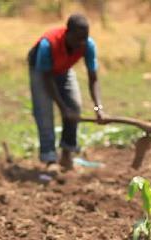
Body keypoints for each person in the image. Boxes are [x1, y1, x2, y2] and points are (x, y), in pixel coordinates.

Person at [27, 13, 105, 171]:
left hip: (63, 69)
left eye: (85, 38)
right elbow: (47, 79)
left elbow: (93, 78)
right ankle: (50, 158)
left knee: (75, 106)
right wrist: (63, 109)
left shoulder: (88, 45)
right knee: (44, 112)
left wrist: (98, 109)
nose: (81, 43)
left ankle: (67, 156)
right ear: (67, 33)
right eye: (78, 38)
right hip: (41, 72)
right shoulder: (47, 45)